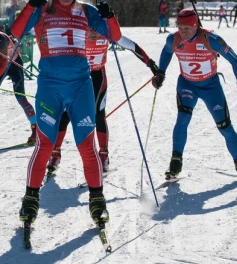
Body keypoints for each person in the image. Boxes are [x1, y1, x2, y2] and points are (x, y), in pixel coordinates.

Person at [10, 0, 159, 229]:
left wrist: (109, 16)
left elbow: (115, 37)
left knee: (86, 147)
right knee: (44, 144)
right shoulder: (42, 10)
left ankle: (97, 199)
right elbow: (16, 32)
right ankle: (31, 197)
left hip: (81, 87)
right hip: (50, 87)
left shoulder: (86, 11)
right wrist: (30, 8)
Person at [151, 8, 237, 180]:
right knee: (182, 119)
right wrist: (160, 73)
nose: (182, 31)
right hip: (187, 84)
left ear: (195, 25)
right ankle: (175, 162)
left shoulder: (211, 39)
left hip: (211, 86)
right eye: (179, 27)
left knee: (224, 126)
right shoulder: (173, 39)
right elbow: (166, 52)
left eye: (186, 27)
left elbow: (235, 59)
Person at [46, 29, 157, 173]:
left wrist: (151, 64)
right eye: (90, 29)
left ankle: (103, 155)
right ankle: (55, 153)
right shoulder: (76, 33)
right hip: (76, 77)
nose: (93, 33)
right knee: (66, 113)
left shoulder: (108, 32)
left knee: (98, 114)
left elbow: (132, 46)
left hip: (97, 76)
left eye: (96, 30)